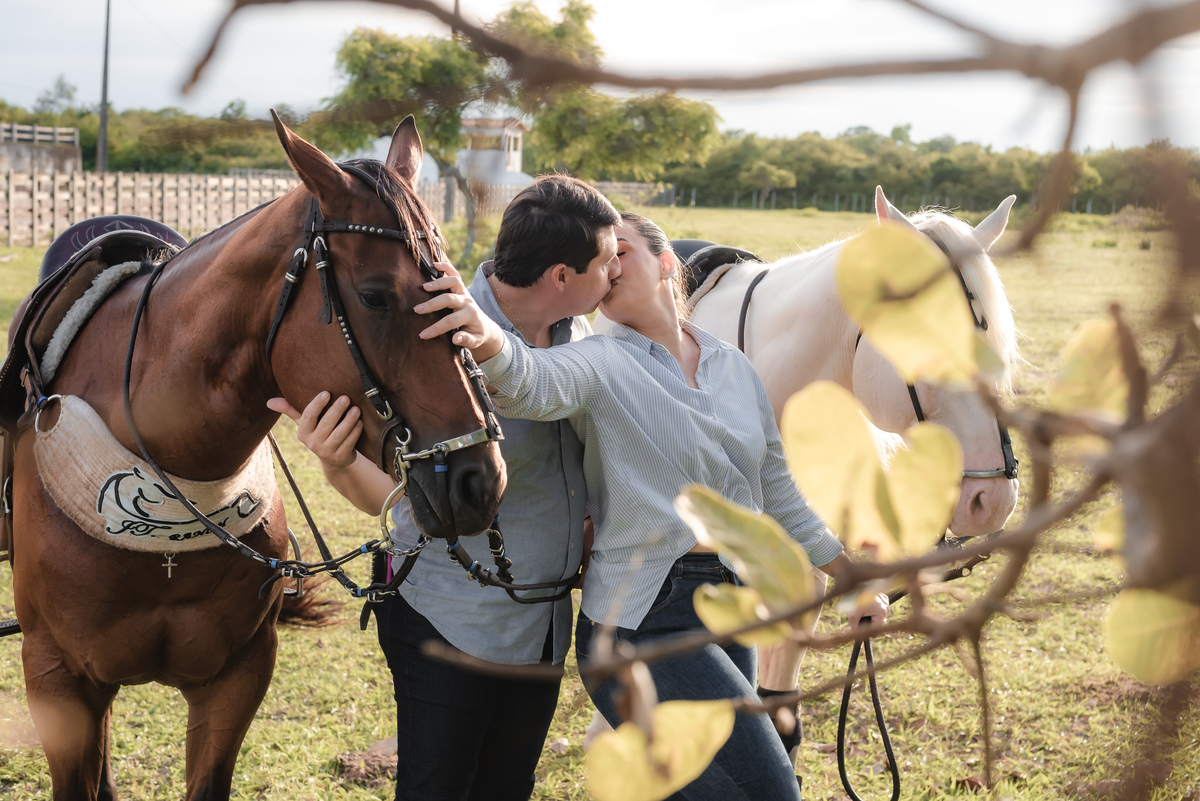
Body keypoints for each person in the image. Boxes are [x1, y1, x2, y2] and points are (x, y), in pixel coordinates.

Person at [414, 211, 889, 799]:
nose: (609, 265)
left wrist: (852, 577)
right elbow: (527, 380)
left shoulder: (733, 368)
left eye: (624, 251)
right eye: (603, 256)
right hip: (642, 620)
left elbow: (776, 489)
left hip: (730, 605)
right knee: (772, 790)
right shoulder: (603, 362)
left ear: (668, 263)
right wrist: (478, 326)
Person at [268, 175, 621, 801]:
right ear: (561, 276)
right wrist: (335, 461)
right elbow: (398, 499)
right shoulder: (428, 331)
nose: (617, 269)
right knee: (438, 789)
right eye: (609, 257)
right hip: (447, 615)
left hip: (542, 617)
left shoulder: (581, 338)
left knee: (507, 786)